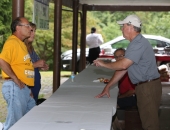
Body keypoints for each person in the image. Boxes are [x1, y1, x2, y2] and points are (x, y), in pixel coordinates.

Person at [94, 14, 162, 130]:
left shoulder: (138, 43)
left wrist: (103, 64)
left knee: (150, 124)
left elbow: (123, 64)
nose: (121, 29)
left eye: (123, 26)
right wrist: (108, 86)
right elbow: (124, 68)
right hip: (145, 86)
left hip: (147, 87)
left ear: (131, 27)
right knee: (148, 121)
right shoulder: (135, 43)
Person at [0, 17, 36, 130]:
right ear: (18, 28)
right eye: (27, 26)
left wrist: (27, 88)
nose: (30, 29)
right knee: (14, 125)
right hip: (15, 87)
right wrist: (15, 79)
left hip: (23, 89)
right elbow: (2, 60)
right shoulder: (12, 42)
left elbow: (22, 67)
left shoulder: (20, 44)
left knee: (32, 119)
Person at [24, 22, 49, 103]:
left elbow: (35, 63)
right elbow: (19, 67)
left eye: (34, 31)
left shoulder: (31, 47)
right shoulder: (21, 47)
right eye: (31, 31)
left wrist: (41, 66)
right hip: (27, 86)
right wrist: (27, 89)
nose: (33, 34)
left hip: (35, 84)